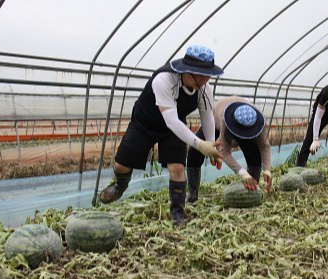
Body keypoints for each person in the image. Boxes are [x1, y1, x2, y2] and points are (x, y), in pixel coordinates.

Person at [99, 45, 224, 227]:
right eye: (200, 75)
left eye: (208, 75)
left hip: (173, 128)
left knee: (177, 168)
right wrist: (199, 144)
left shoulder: (204, 89)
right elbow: (171, 119)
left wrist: (211, 145)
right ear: (186, 70)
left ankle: (177, 214)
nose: (204, 80)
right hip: (145, 123)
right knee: (121, 164)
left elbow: (207, 117)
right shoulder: (164, 79)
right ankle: (120, 185)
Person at [186, 96, 272, 203]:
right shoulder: (224, 120)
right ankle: (192, 193)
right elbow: (224, 152)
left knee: (254, 153)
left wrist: (267, 169)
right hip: (215, 120)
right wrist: (242, 172)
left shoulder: (259, 120)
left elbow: (265, 146)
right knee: (194, 152)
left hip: (245, 123)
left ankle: (252, 191)